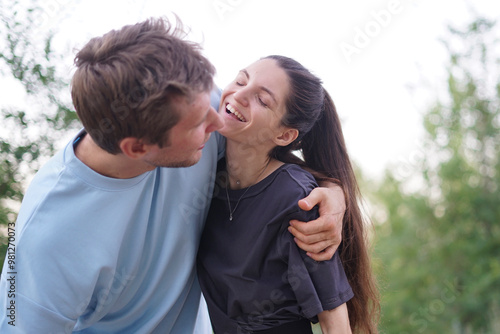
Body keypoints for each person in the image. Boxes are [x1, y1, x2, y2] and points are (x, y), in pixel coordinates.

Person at [0, 18, 346, 333]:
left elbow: (266, 152)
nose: (217, 123)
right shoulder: (45, 241)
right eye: (200, 125)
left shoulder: (192, 106)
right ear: (138, 148)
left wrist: (334, 192)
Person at [197, 56, 380, 334]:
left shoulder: (295, 197)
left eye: (263, 100)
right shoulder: (205, 172)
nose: (239, 95)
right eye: (241, 80)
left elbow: (333, 313)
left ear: (284, 136)